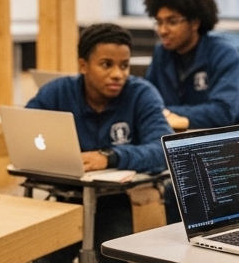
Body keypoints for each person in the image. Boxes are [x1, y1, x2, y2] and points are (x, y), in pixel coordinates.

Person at [26, 23, 173, 263]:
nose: (118, 74)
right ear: (83, 65)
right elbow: (26, 129)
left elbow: (161, 148)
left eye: (124, 65)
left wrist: (110, 156)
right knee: (40, 257)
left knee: (113, 255)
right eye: (107, 64)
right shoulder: (57, 93)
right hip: (64, 199)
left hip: (114, 202)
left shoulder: (141, 94)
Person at [143, 0, 239, 130]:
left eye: (172, 22)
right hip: (179, 139)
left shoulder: (225, 55)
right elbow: (146, 102)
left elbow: (222, 112)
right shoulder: (161, 54)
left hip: (230, 144)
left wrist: (165, 113)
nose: (162, 30)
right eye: (159, 22)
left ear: (195, 23)